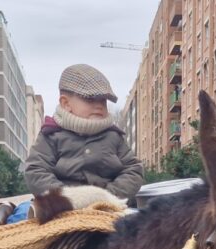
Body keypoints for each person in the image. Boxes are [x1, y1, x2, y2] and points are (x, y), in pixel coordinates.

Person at [24, 64, 144, 202]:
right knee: (22, 212)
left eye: (103, 101)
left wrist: (109, 195)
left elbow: (133, 170)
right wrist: (66, 197)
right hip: (63, 207)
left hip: (107, 206)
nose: (99, 105)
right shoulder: (51, 134)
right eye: (90, 99)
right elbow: (36, 171)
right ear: (66, 103)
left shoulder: (113, 136)